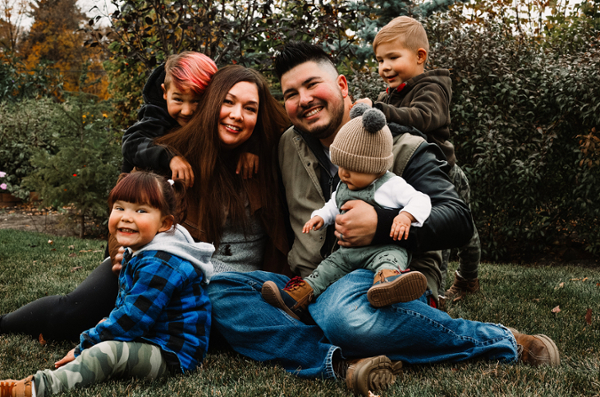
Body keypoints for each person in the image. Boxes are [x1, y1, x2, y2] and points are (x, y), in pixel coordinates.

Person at [206, 42, 559, 397]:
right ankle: (340, 360)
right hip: (312, 281)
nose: (304, 98)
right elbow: (231, 122)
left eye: (313, 84)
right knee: (221, 292)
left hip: (384, 277)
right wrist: (246, 151)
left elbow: (457, 220)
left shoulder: (404, 144)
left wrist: (381, 222)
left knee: (346, 317)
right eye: (292, 94)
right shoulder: (286, 144)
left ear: (343, 86)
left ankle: (501, 340)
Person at [0, 65, 290, 343]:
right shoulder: (173, 153)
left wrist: (253, 148)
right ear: (212, 103)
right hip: (155, 265)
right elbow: (127, 207)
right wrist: (126, 251)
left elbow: (297, 126)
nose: (237, 115)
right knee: (71, 315)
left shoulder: (270, 155)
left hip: (230, 287)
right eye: (228, 102)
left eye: (249, 108)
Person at [0, 171, 215, 397]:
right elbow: (126, 306)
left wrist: (85, 346)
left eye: (141, 210)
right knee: (106, 326)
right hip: (151, 336)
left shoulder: (160, 262)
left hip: (172, 353)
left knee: (106, 351)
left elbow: (133, 319)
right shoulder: (141, 250)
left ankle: (35, 388)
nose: (126, 217)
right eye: (119, 207)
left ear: (164, 223)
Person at [262, 106, 431, 318]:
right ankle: (298, 297)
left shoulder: (390, 185)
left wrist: (406, 216)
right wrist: (320, 217)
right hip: (349, 253)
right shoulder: (345, 184)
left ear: (376, 167)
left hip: (382, 249)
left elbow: (421, 200)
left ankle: (388, 284)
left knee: (390, 260)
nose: (343, 174)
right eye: (341, 166)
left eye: (353, 169)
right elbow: (334, 204)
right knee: (327, 268)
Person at [355, 16, 481, 299]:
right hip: (411, 174)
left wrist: (379, 110)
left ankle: (465, 279)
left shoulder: (432, 88)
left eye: (392, 57)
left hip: (443, 173)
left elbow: (422, 119)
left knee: (458, 231)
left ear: (419, 56)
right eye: (379, 60)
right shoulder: (387, 97)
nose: (384, 67)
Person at [121, 51, 260, 183]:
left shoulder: (218, 117)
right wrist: (170, 158)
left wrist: (251, 148)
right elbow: (131, 143)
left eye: (196, 101)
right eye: (178, 100)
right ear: (165, 92)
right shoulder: (156, 115)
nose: (186, 111)